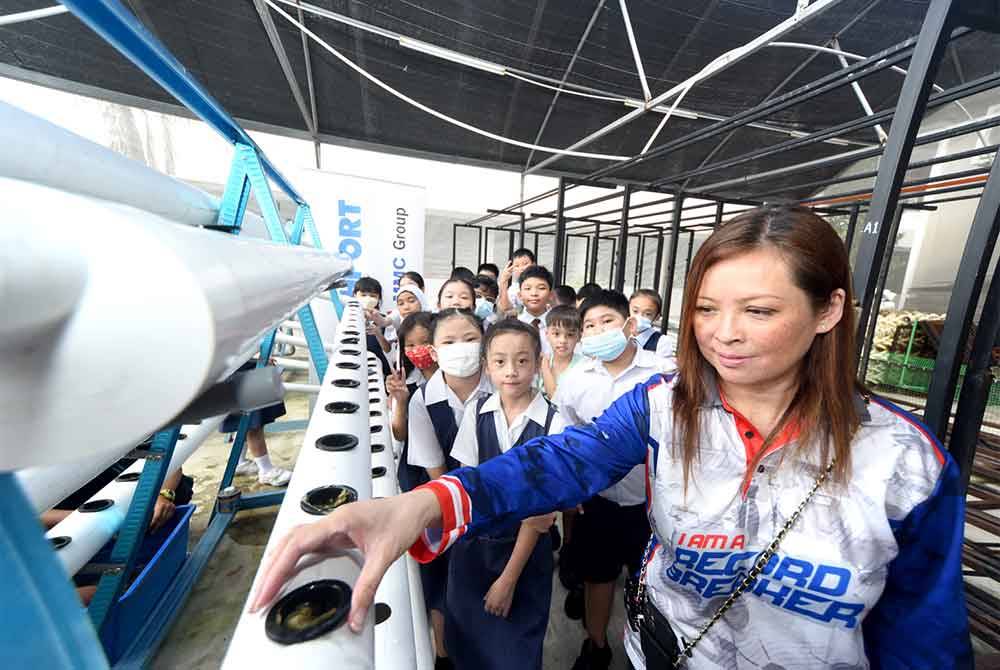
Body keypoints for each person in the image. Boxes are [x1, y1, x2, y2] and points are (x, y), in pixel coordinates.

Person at [249, 205, 971, 670]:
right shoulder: (666, 408)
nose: (723, 333)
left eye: (757, 309)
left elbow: (924, 637)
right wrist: (425, 504)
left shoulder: (905, 463)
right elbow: (560, 462)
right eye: (708, 308)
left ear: (828, 309)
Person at [556, 289, 676, 669]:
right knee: (597, 577)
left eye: (606, 321)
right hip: (600, 499)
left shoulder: (663, 373)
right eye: (588, 326)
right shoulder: (576, 379)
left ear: (629, 324)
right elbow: (568, 435)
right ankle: (596, 645)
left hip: (656, 502)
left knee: (652, 584)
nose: (596, 331)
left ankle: (648, 650)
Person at [445, 319, 564, 670]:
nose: (511, 371)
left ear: (538, 361)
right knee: (467, 645)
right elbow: (466, 483)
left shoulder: (554, 424)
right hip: (473, 549)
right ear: (487, 366)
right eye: (500, 362)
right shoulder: (477, 412)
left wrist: (508, 580)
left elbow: (541, 514)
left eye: (522, 360)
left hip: (523, 558)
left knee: (515, 653)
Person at [406, 308, 493, 668]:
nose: (461, 347)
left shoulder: (504, 389)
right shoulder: (423, 400)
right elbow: (435, 470)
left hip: (492, 504)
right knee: (440, 583)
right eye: (449, 341)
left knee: (485, 584)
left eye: (470, 339)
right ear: (434, 351)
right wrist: (455, 517)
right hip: (443, 506)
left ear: (484, 343)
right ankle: (443, 654)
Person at [386, 311, 438, 493]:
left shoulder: (456, 380)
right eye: (410, 345)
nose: (418, 349)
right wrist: (400, 401)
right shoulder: (406, 383)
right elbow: (400, 435)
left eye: (425, 342)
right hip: (415, 473)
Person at [539, 304, 584, 398]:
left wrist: (545, 368)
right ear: (547, 334)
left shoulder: (583, 366)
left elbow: (556, 399)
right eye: (556, 334)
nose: (562, 340)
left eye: (570, 335)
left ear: (579, 337)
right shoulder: (542, 361)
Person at [354, 276, 392, 377]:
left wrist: (378, 333)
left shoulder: (386, 321)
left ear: (378, 298)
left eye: (372, 296)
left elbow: (388, 349)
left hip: (379, 370)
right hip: (355, 368)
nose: (368, 299)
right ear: (355, 295)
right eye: (363, 295)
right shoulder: (350, 318)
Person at [516, 265, 554, 356]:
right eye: (528, 289)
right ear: (520, 295)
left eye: (541, 288)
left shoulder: (559, 323)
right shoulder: (514, 324)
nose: (534, 293)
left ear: (551, 295)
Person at [628, 288, 677, 358]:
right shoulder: (620, 335)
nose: (639, 316)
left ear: (657, 317)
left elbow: (663, 366)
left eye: (648, 314)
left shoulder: (662, 342)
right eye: (635, 311)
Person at [497, 247, 536, 314]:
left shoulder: (542, 281)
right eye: (517, 266)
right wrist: (503, 282)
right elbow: (505, 308)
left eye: (525, 264)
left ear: (534, 264)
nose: (521, 268)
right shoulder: (514, 288)